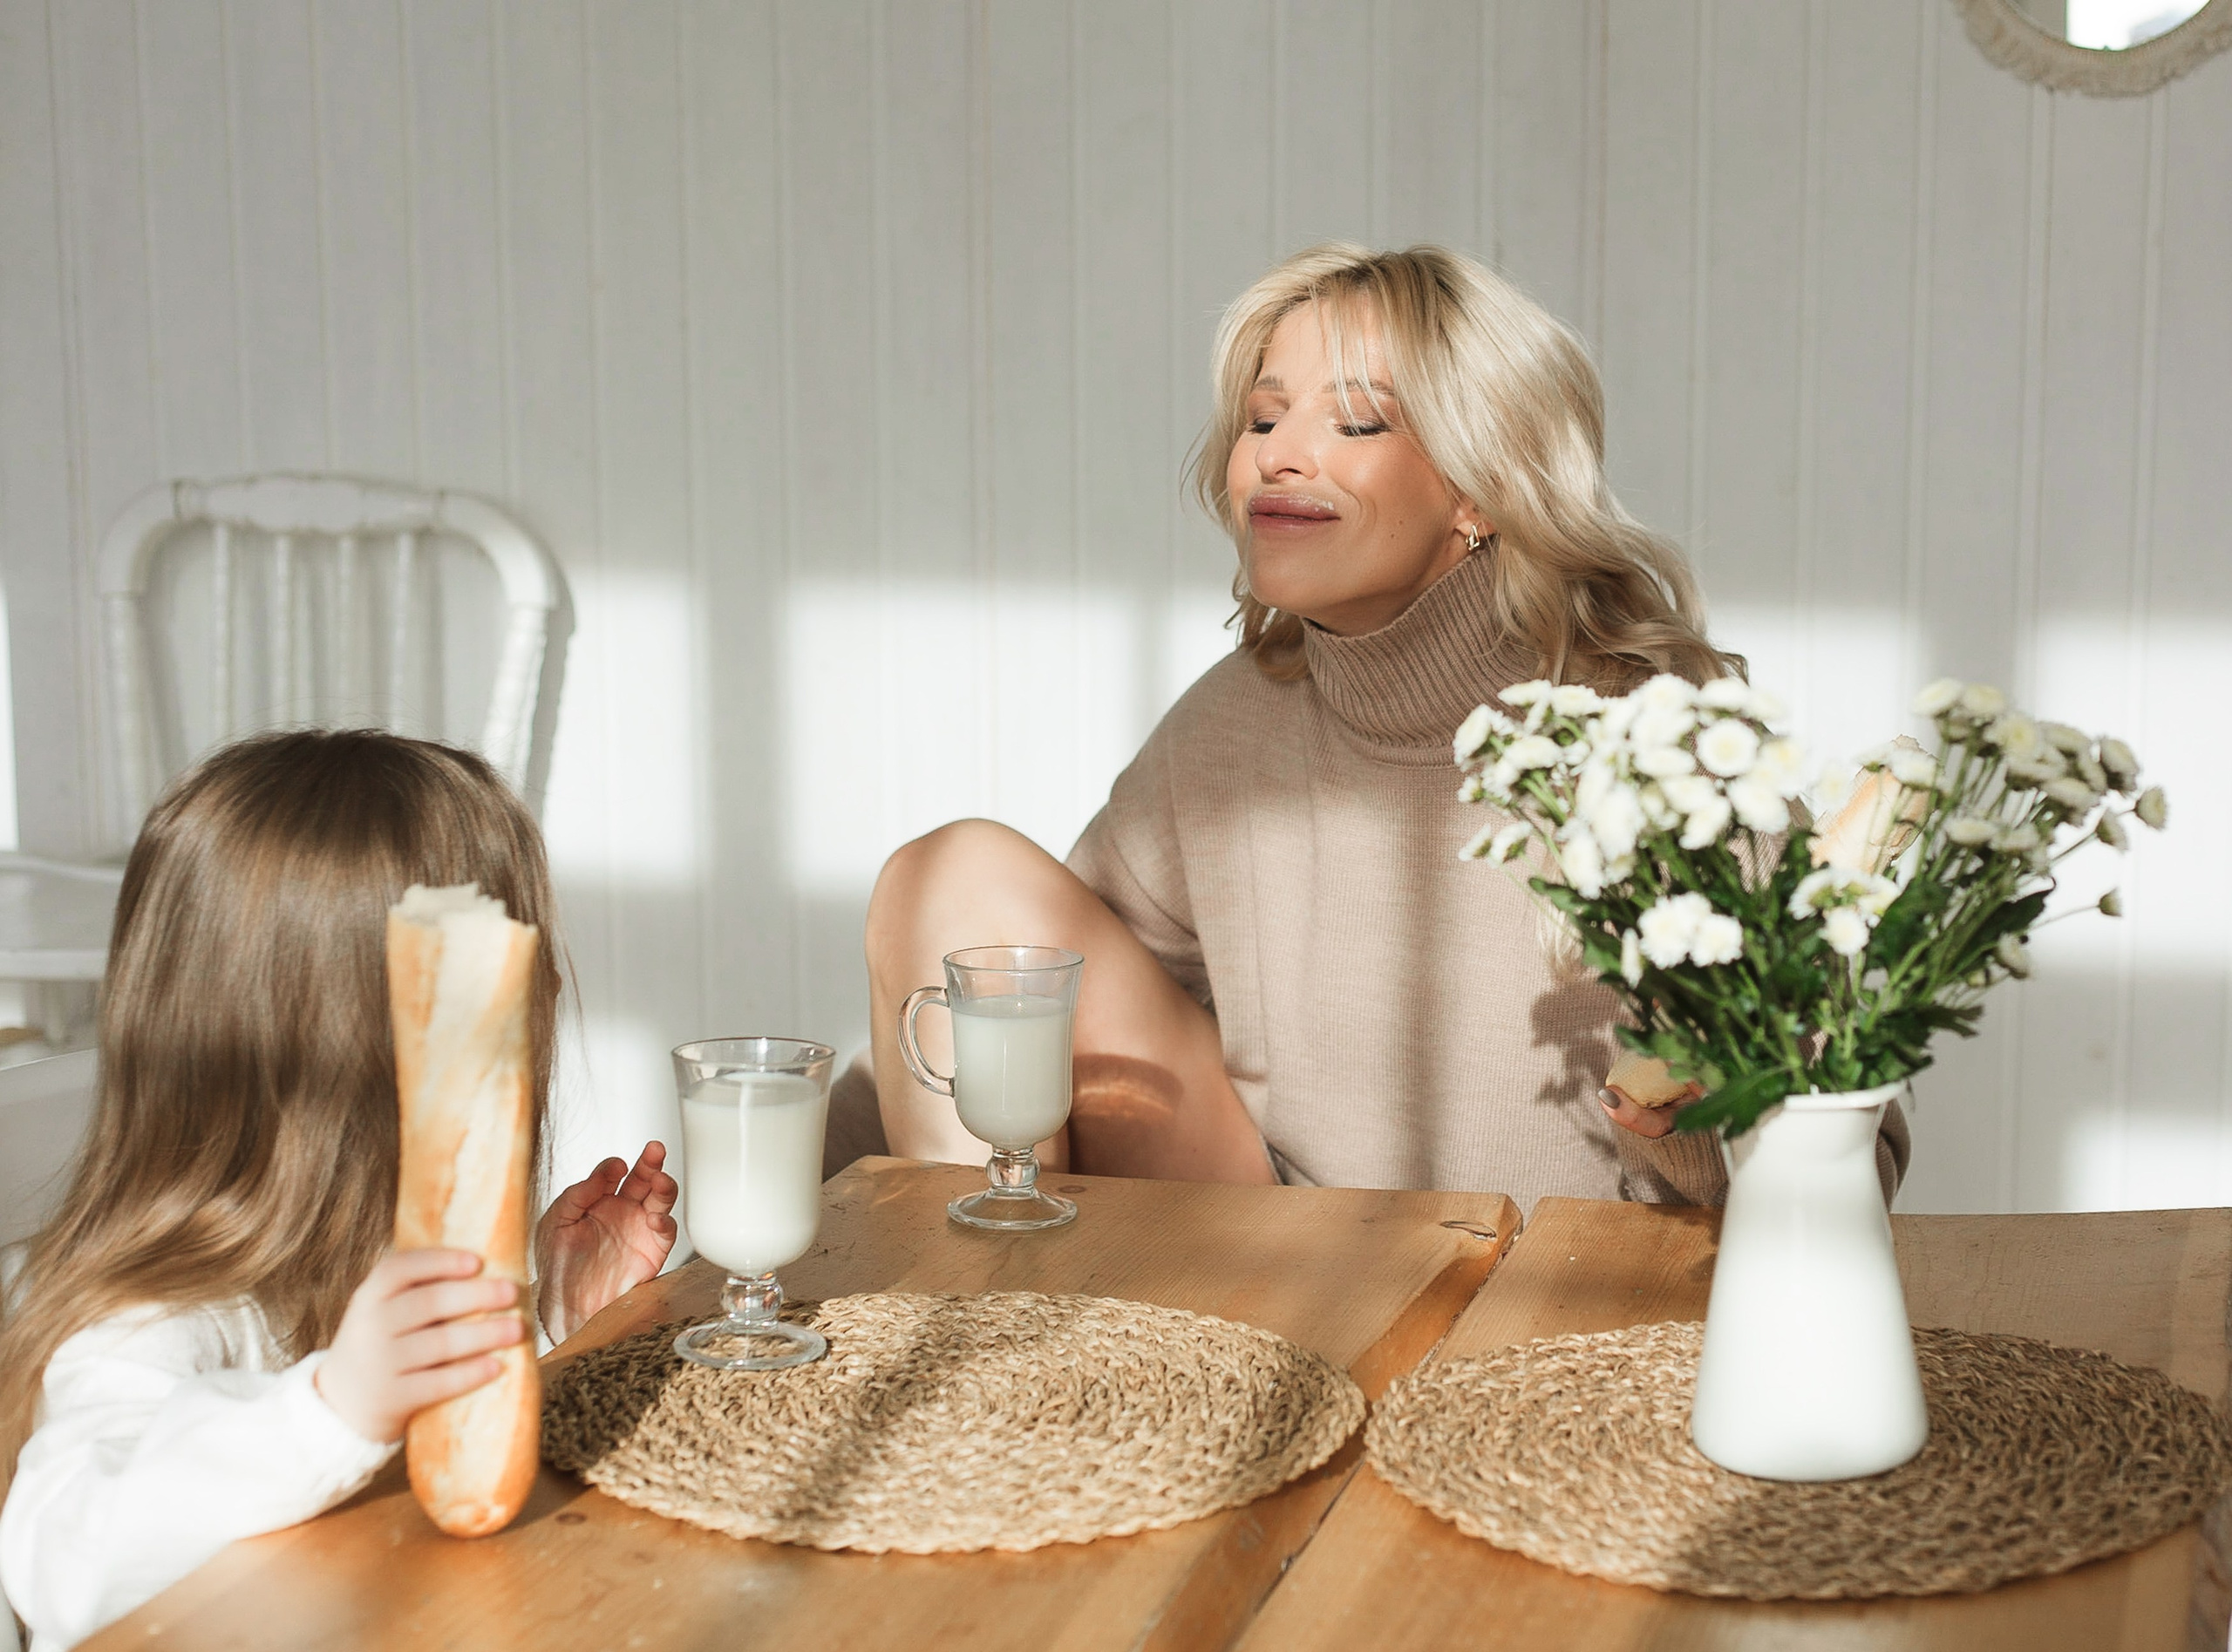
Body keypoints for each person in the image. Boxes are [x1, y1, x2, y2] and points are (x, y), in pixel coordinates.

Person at [861, 242, 1908, 1208]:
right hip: (1287, 1267)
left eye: (1355, 423)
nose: (1276, 455)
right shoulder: (1233, 721)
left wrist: (1681, 1128)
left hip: (1568, 1305)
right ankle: (984, 1356)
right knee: (954, 877)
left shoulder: (1667, 738)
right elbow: (1056, 1002)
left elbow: (1862, 1145)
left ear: (1480, 489)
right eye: (1264, 419)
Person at [0, 731, 678, 1651]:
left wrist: (558, 1321)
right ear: (363, 1045)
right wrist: (329, 1408)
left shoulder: (373, 1253)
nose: (550, 986)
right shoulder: (154, 1314)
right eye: (508, 969)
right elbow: (66, 1563)